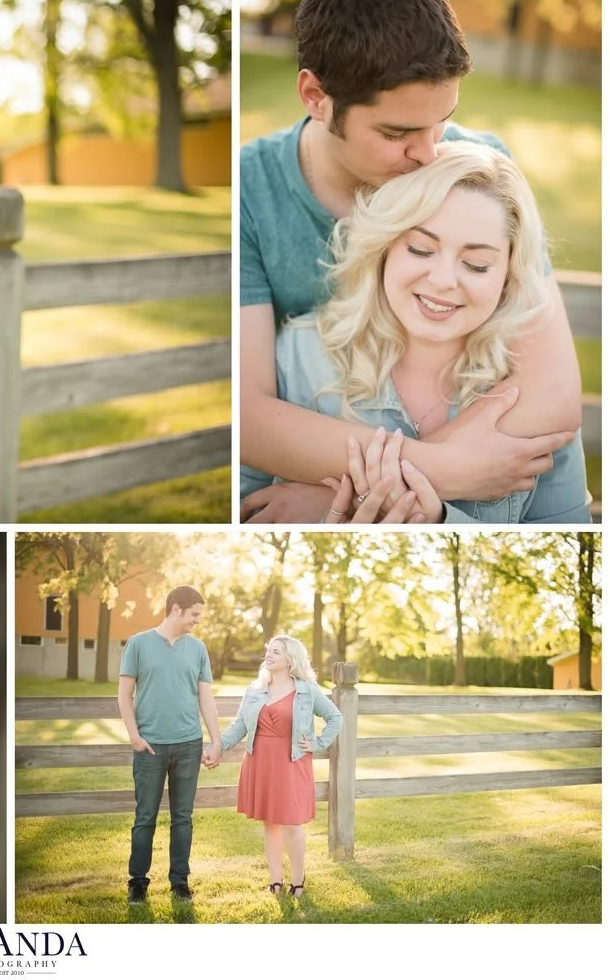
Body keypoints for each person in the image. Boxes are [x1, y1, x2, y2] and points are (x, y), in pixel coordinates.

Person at [239, 0, 579, 523]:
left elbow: (553, 390)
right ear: (316, 97)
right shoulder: (249, 192)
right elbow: (247, 417)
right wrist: (439, 471)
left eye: (441, 121)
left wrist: (358, 496)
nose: (428, 153)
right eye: (397, 132)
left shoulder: (476, 167)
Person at [239, 142, 591, 523]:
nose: (442, 280)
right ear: (383, 247)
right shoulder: (296, 360)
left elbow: (568, 531)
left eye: (476, 265)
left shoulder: (530, 389)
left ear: (508, 274)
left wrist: (430, 519)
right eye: (421, 250)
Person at [117, 586, 221, 906]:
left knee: (183, 818)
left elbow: (205, 697)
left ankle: (179, 883)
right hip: (149, 747)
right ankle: (137, 882)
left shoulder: (198, 648)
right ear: (176, 609)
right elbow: (124, 695)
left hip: (189, 744)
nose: (197, 620)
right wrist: (134, 736)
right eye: (194, 614)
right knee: (145, 817)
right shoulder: (138, 644)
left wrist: (216, 740)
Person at [218, 635, 342, 897]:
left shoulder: (307, 690)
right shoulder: (255, 689)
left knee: (291, 823)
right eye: (269, 650)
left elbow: (335, 717)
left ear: (290, 659)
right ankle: (275, 880)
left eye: (276, 651)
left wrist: (318, 744)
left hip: (291, 762)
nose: (269, 655)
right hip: (260, 761)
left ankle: (298, 880)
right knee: (270, 822)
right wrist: (218, 747)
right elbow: (239, 726)